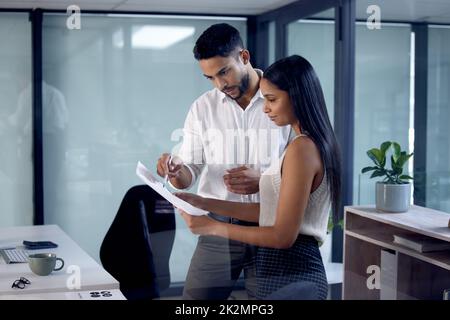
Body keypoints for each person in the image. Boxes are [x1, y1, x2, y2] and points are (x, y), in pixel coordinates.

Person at [177, 55, 342, 300]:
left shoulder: (302, 149)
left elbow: (282, 236)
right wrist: (205, 203)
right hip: (284, 270)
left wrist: (211, 226)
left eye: (272, 100)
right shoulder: (307, 144)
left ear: (297, 96)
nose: (265, 108)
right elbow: (271, 211)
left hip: (291, 272)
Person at [156, 23, 291, 300]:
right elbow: (189, 171)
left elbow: (304, 166)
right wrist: (176, 171)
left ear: (244, 57)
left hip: (269, 224)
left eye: (223, 72)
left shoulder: (282, 100)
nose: (220, 85)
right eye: (210, 78)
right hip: (217, 228)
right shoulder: (202, 108)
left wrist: (264, 181)